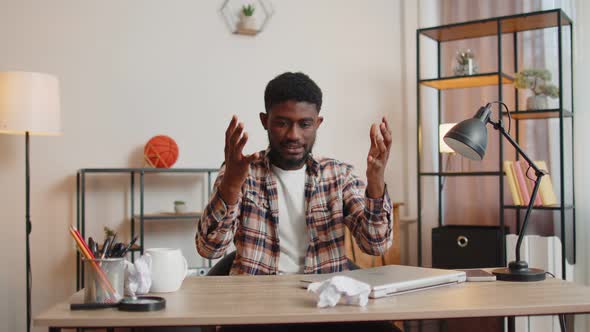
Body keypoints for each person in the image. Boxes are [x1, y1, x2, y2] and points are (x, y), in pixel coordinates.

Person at [196, 72, 394, 276]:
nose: (293, 135)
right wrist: (231, 183)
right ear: (265, 121)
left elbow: (376, 245)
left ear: (318, 123)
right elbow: (209, 249)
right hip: (256, 301)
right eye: (282, 123)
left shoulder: (339, 176)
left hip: (322, 299)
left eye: (305, 124)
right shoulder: (240, 172)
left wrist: (376, 181)